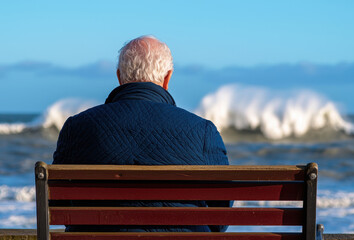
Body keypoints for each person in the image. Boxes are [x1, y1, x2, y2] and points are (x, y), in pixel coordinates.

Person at [53, 35, 230, 232]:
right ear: (167, 78)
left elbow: (57, 205)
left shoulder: (77, 127)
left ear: (120, 77)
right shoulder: (203, 131)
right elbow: (220, 219)